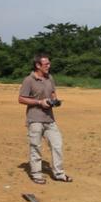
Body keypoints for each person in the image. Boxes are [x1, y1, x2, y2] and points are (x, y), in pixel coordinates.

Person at [18, 54, 72, 184]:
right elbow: (21, 99)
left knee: (57, 144)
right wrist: (39, 102)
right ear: (38, 65)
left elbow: (53, 93)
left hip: (49, 119)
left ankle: (59, 173)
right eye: (46, 64)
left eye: (49, 63)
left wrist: (54, 101)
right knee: (35, 146)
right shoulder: (29, 80)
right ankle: (36, 174)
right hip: (35, 119)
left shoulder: (50, 78)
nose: (49, 66)